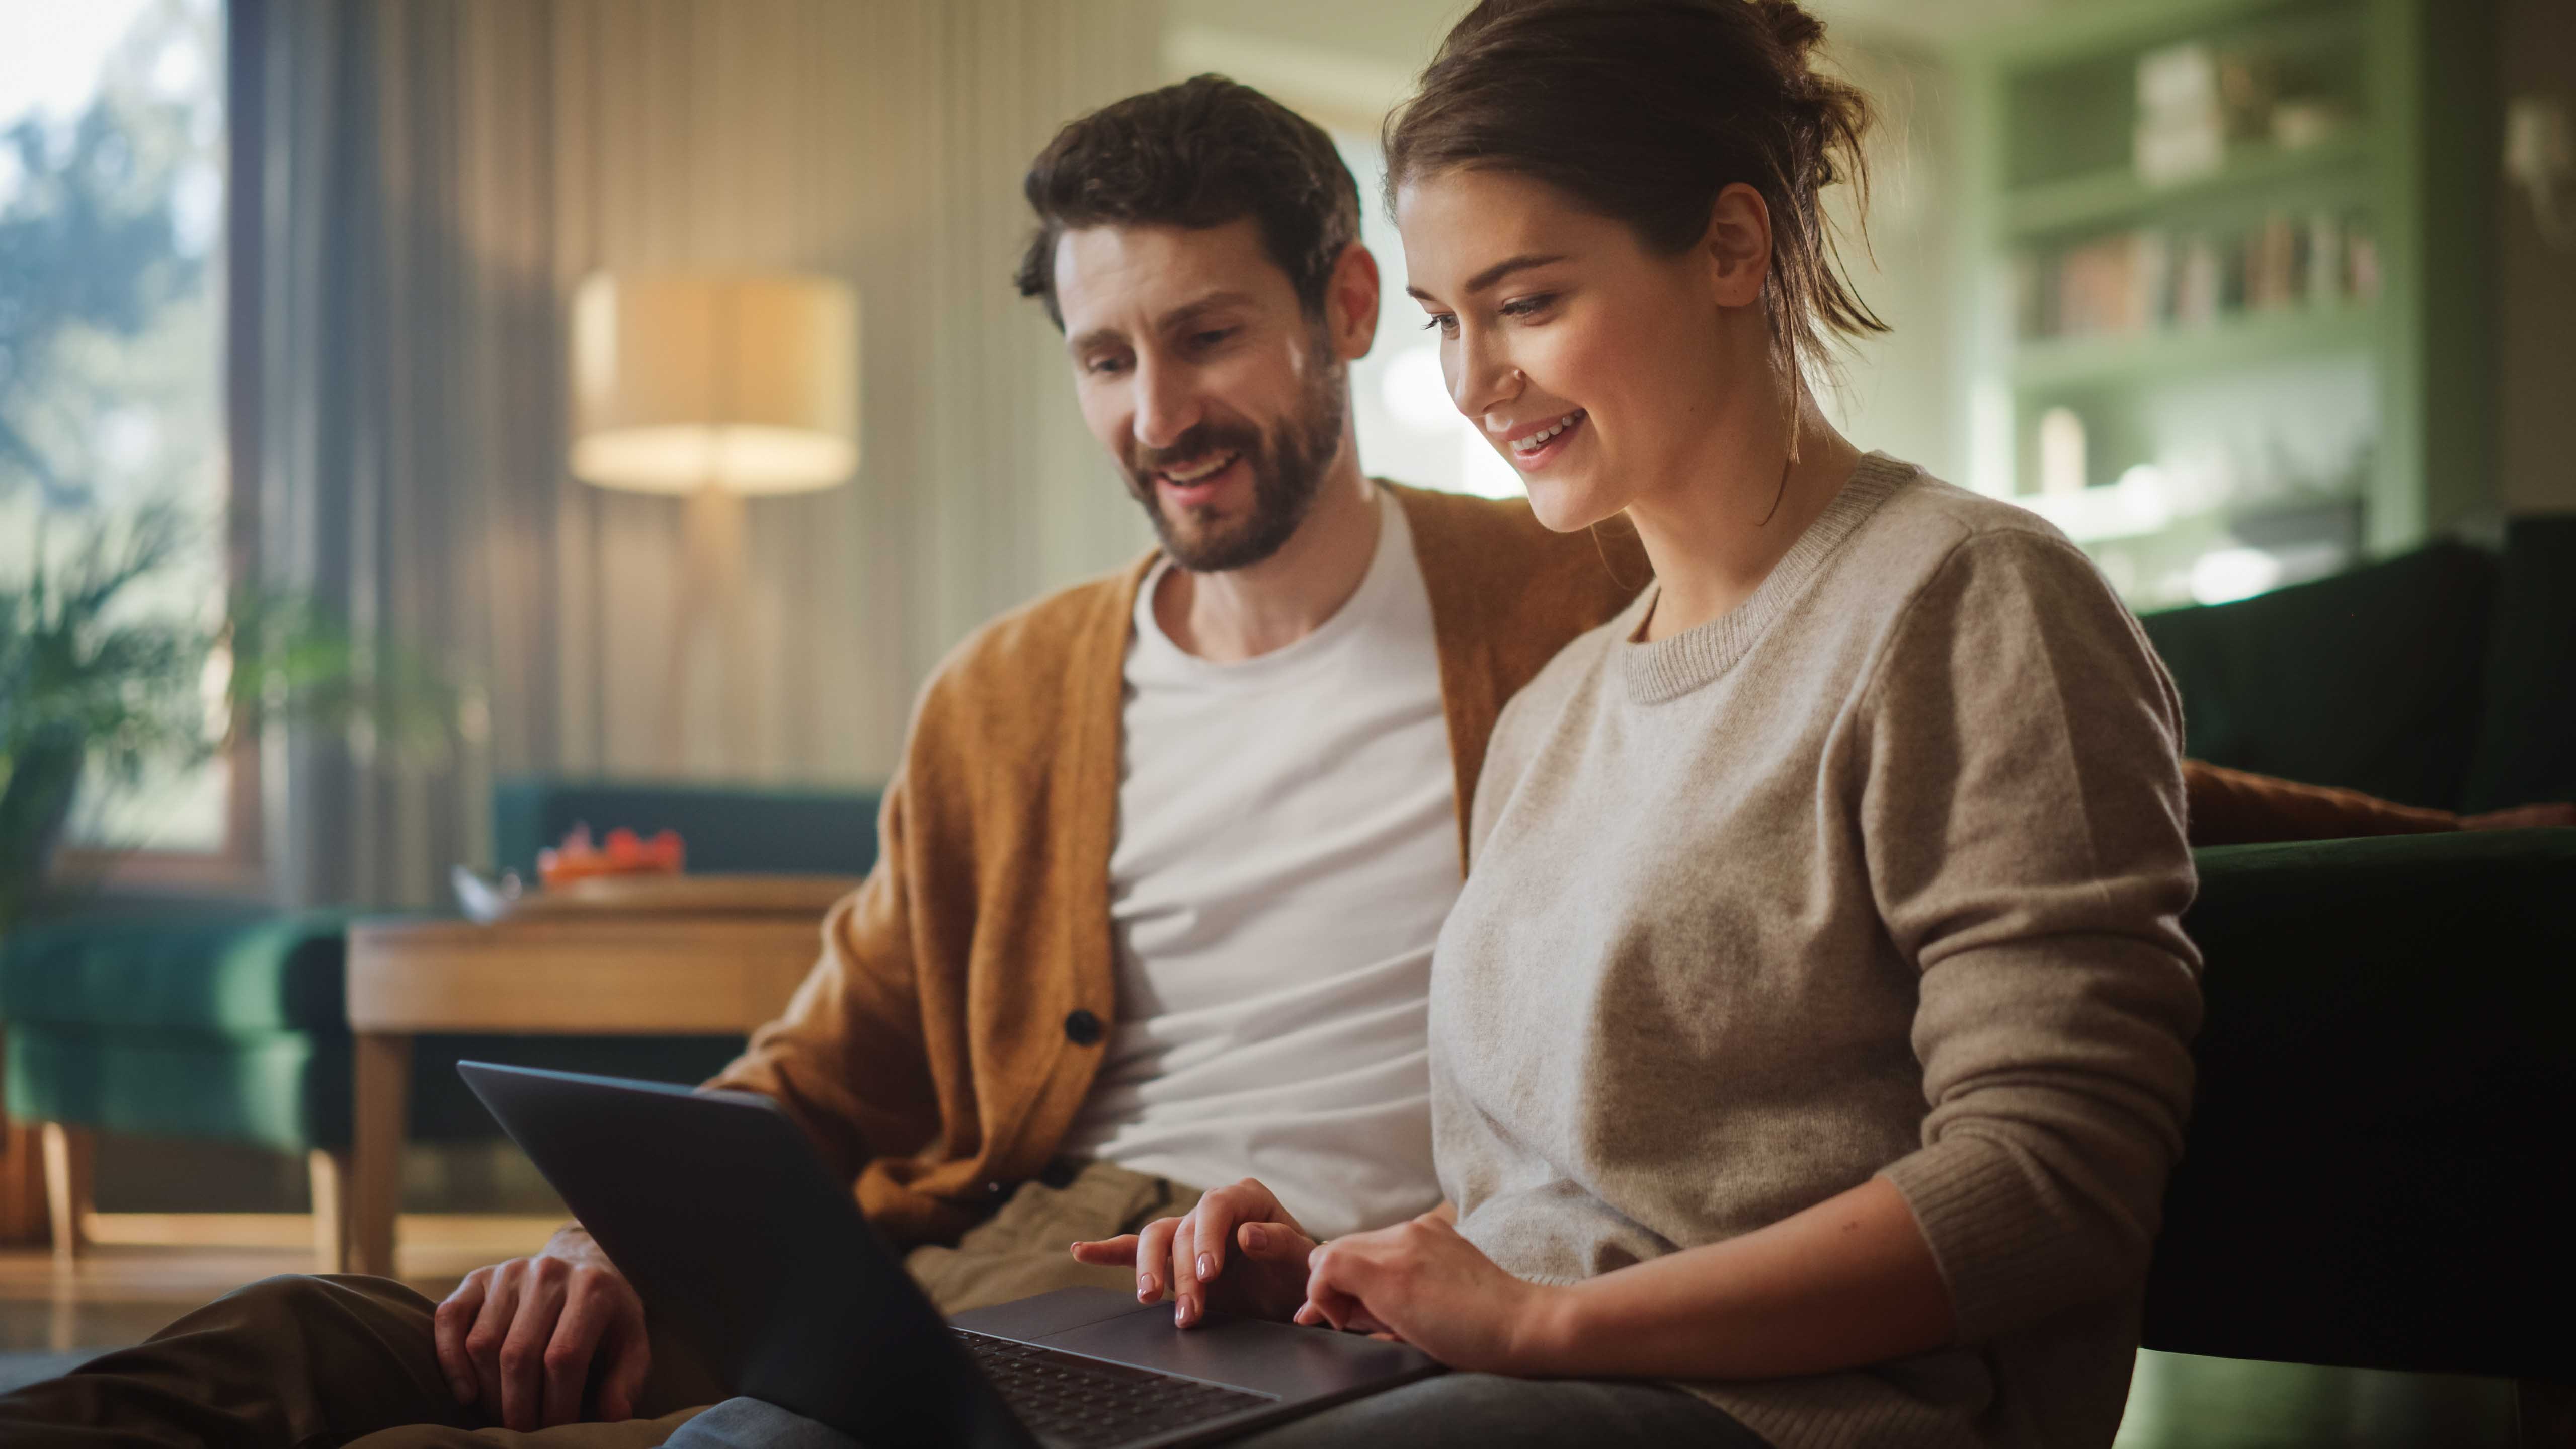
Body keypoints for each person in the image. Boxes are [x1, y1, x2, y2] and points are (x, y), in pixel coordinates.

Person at [1, 55, 2546, 1449]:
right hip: (1084, 1239)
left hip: (1392, 1301)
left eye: (1206, 340)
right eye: (1105, 361)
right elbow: (848, 1050)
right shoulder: (1033, 695)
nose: (1157, 411)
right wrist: (619, 1225)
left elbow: (2088, 796)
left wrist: (2495, 852)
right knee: (384, 1344)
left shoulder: (1596, 582)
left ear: (1327, 316)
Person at [1071, 3, 2206, 1445]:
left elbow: (2053, 1188)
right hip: (1510, 1391)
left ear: (1734, 247)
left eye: (1528, 304)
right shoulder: (1555, 712)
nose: (1475, 383)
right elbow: (1589, 1201)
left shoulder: (1971, 599)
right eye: (1445, 321)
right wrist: (1358, 1270)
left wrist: (1541, 1326)